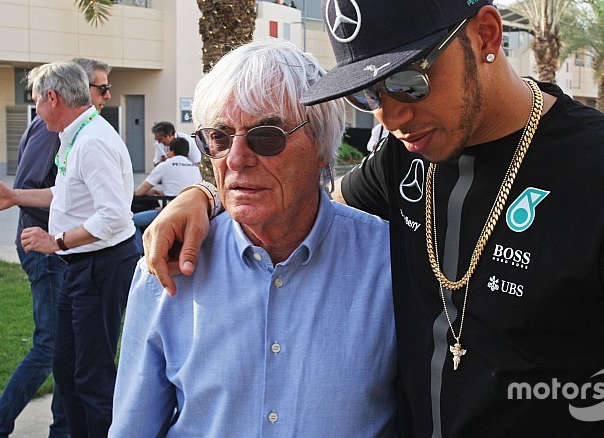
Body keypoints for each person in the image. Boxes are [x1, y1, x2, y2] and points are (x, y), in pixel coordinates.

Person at [143, 0, 604, 435]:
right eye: (368, 93)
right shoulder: (405, 160)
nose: (390, 115)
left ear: (486, 35)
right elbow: (307, 203)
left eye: (409, 81)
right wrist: (205, 197)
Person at [110, 39, 396, 435]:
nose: (236, 158)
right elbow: (133, 427)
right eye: (220, 137)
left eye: (267, 136)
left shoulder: (390, 264)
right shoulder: (167, 265)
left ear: (321, 145)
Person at [0, 61, 138, 436]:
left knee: (92, 376)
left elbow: (113, 217)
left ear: (53, 98)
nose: (34, 109)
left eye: (35, 101)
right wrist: (15, 196)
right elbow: (62, 194)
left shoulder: (93, 141)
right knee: (66, 368)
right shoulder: (74, 135)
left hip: (100, 265)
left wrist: (56, 242)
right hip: (79, 266)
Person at [0, 115, 67, 437]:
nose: (106, 96)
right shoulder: (49, 127)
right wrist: (69, 227)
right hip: (44, 248)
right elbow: (28, 188)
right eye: (102, 90)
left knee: (65, 346)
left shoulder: (72, 127)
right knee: (49, 346)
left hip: (60, 249)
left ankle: (63, 429)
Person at [132, 137, 201, 255]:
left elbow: (139, 192)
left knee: (132, 221)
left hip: (169, 212)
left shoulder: (165, 165)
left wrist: (153, 191)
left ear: (171, 151)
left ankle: (140, 256)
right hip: (191, 213)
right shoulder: (195, 168)